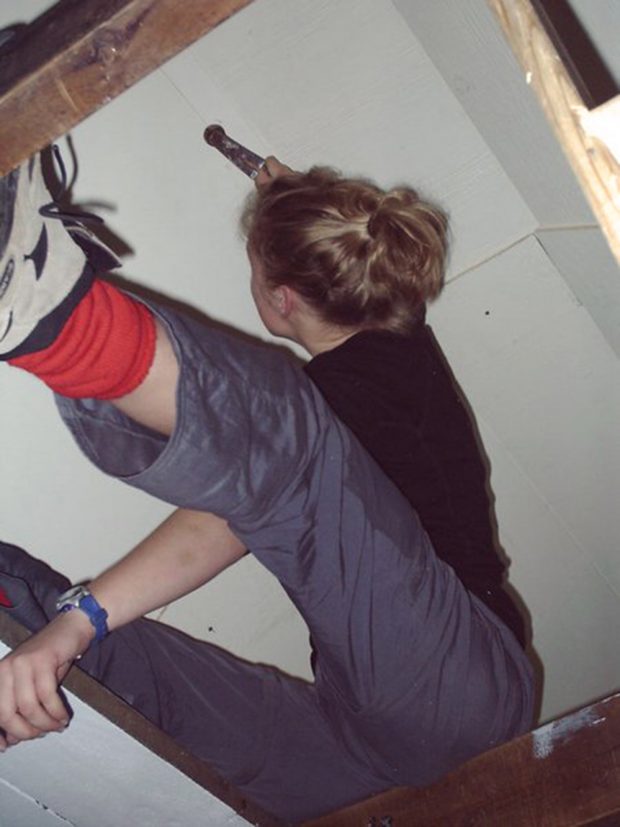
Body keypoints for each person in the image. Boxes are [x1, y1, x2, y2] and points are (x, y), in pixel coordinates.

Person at [0, 147, 534, 823]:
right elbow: (370, 265)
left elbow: (229, 515)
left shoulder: (341, 402)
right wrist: (294, 203)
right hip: (369, 737)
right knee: (145, 677)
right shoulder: (403, 338)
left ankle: (49, 311)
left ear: (282, 300)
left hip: (461, 683)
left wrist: (80, 619)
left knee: (290, 447)